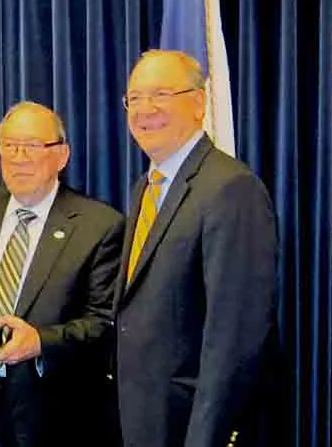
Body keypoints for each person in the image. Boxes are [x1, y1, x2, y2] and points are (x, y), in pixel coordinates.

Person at [115, 49, 278, 447]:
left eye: (161, 95)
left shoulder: (230, 188)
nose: (145, 109)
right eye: (134, 98)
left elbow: (234, 337)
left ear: (199, 103)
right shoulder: (145, 188)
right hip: (142, 419)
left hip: (190, 425)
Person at [0, 102, 124, 446]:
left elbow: (104, 324)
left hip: (56, 416)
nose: (19, 158)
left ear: (62, 156)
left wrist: (40, 342)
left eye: (31, 146)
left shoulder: (100, 226)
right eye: (10, 146)